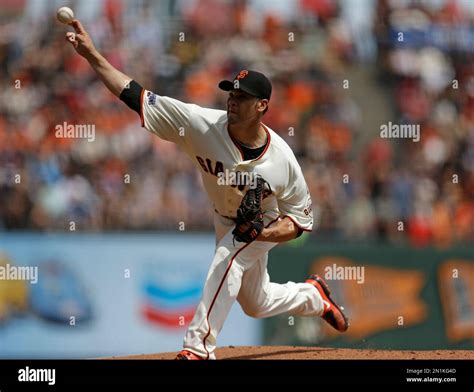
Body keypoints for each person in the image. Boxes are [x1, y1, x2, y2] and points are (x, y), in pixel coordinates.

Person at [65, 19, 349, 360]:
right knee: (255, 303)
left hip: (265, 221)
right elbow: (134, 95)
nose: (233, 100)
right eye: (231, 92)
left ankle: (198, 346)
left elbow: (300, 222)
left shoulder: (283, 160)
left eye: (243, 97)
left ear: (262, 106)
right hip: (223, 217)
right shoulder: (200, 124)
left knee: (229, 256)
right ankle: (313, 296)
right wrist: (92, 54)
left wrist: (264, 233)